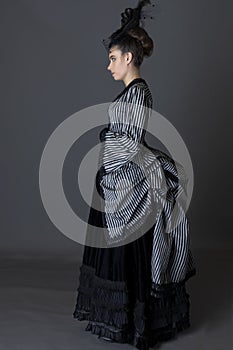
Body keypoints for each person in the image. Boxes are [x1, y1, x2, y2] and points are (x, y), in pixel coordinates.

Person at [73, 1, 196, 349]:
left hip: (128, 180)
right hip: (120, 177)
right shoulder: (132, 93)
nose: (108, 64)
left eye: (113, 57)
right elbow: (122, 139)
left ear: (129, 57)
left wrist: (106, 139)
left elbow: (126, 143)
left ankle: (134, 323)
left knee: (128, 250)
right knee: (123, 252)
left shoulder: (138, 93)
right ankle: (128, 319)